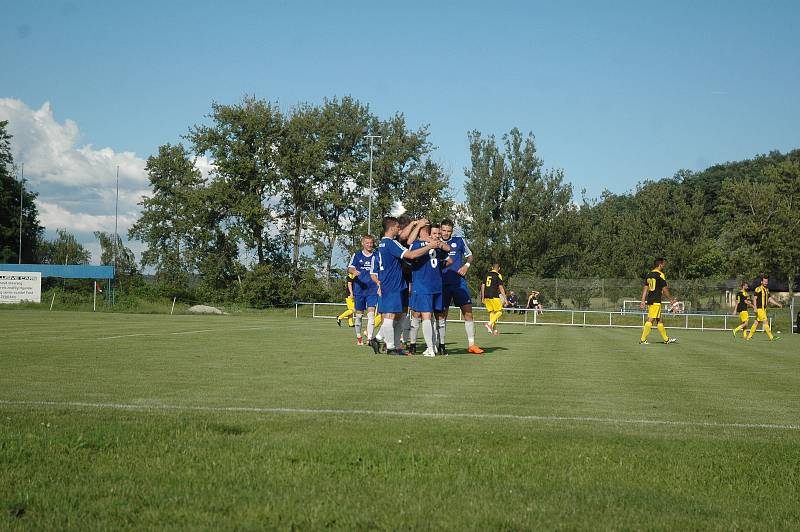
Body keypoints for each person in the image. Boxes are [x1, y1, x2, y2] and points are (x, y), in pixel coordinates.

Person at [370, 216, 438, 356]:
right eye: (397, 226)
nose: (399, 228)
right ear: (391, 228)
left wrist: (415, 224)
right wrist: (429, 246)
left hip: (394, 282)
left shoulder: (384, 243)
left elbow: (404, 237)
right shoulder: (390, 243)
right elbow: (411, 255)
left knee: (399, 316)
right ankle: (389, 347)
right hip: (392, 283)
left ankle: (382, 341)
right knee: (389, 316)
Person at [438, 219, 484, 354]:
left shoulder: (459, 240)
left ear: (452, 230)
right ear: (440, 229)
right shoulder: (435, 242)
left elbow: (470, 256)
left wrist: (466, 266)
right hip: (442, 283)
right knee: (442, 316)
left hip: (459, 283)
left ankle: (471, 345)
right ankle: (440, 344)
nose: (446, 233)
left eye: (449, 230)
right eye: (444, 230)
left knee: (468, 312)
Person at [409, 223, 451, 357]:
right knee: (428, 316)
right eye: (435, 233)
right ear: (428, 233)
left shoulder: (418, 245)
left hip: (423, 284)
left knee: (425, 316)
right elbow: (448, 253)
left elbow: (409, 257)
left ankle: (430, 348)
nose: (437, 236)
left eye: (439, 234)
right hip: (435, 285)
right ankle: (427, 346)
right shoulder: (437, 247)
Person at [348, 235, 379, 346]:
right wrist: (353, 271)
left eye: (371, 243)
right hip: (359, 289)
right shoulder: (357, 255)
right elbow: (350, 267)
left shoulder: (377, 255)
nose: (370, 245)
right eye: (367, 243)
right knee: (359, 315)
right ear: (363, 243)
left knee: (371, 314)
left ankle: (370, 338)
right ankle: (359, 337)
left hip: (372, 289)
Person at [638, 258, 677, 345]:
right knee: (651, 320)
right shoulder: (660, 275)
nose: (664, 266)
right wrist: (671, 300)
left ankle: (666, 339)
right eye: (663, 264)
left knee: (659, 321)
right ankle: (643, 339)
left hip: (651, 299)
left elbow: (645, 288)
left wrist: (643, 300)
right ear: (660, 265)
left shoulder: (649, 274)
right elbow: (665, 289)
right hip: (656, 300)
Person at [746, 275, 782, 341]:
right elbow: (755, 298)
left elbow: (769, 299)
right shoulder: (758, 289)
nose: (766, 283)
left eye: (767, 281)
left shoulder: (767, 290)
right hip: (759, 308)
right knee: (765, 321)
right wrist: (755, 307)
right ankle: (771, 337)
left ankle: (749, 336)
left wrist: (777, 304)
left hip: (764, 309)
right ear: (761, 282)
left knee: (756, 322)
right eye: (764, 281)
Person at [480, 262, 507, 335]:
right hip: (494, 295)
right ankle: (489, 324)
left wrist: (482, 297)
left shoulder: (486, 274)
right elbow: (500, 287)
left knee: (492, 312)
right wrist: (505, 298)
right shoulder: (498, 275)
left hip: (486, 296)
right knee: (499, 311)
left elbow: (483, 286)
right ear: (499, 268)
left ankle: (493, 330)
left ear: (492, 268)